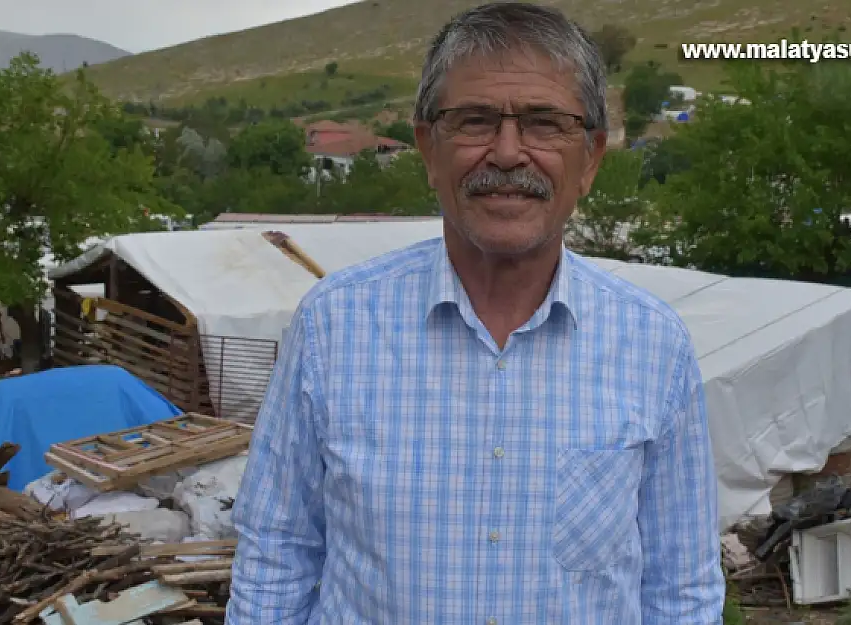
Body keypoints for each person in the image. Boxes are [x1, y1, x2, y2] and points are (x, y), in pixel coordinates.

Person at [226, 2, 724, 623]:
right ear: (428, 149)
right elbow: (277, 557)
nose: (508, 153)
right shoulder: (334, 325)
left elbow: (682, 591)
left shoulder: (653, 345)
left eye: (544, 123)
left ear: (591, 157)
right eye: (475, 121)